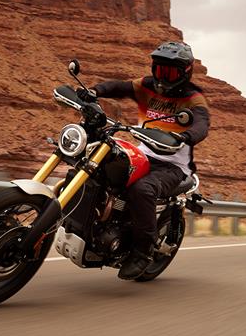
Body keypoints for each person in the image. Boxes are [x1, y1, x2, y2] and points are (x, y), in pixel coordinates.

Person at [77, 41, 210, 280]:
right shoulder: (147, 86)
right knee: (98, 167)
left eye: (169, 71)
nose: (162, 76)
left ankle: (143, 251)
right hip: (143, 154)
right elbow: (121, 87)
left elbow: (202, 124)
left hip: (173, 166)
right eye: (159, 69)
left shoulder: (194, 98)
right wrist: (95, 91)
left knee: (142, 189)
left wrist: (185, 136)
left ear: (185, 72)